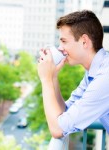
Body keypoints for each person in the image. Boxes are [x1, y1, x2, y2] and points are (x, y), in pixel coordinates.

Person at [37, 10, 109, 149]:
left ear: (84, 41)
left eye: (64, 41)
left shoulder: (105, 77)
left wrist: (45, 80)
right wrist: (53, 77)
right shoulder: (94, 72)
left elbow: (57, 130)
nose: (60, 49)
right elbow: (65, 112)